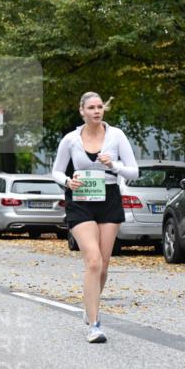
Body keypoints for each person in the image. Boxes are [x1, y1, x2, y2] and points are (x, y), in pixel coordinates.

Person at [51, 92, 139, 343]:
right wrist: (68, 181)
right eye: (91, 107)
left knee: (103, 265)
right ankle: (95, 324)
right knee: (92, 261)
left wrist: (114, 166)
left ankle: (90, 305)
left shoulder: (116, 136)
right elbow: (56, 171)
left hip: (109, 197)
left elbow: (134, 171)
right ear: (82, 111)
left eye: (100, 107)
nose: (96, 111)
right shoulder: (70, 139)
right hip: (80, 200)